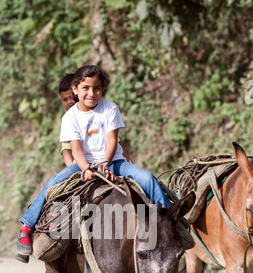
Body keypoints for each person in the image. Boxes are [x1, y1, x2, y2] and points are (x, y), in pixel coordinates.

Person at [16, 65, 170, 261]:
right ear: (75, 89)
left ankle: (168, 222)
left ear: (102, 89)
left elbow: (112, 140)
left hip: (113, 162)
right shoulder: (69, 117)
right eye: (86, 88)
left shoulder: (110, 108)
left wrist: (105, 164)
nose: (91, 93)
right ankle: (27, 227)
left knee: (147, 178)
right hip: (83, 164)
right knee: (52, 184)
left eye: (96, 88)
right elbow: (76, 149)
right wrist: (85, 169)